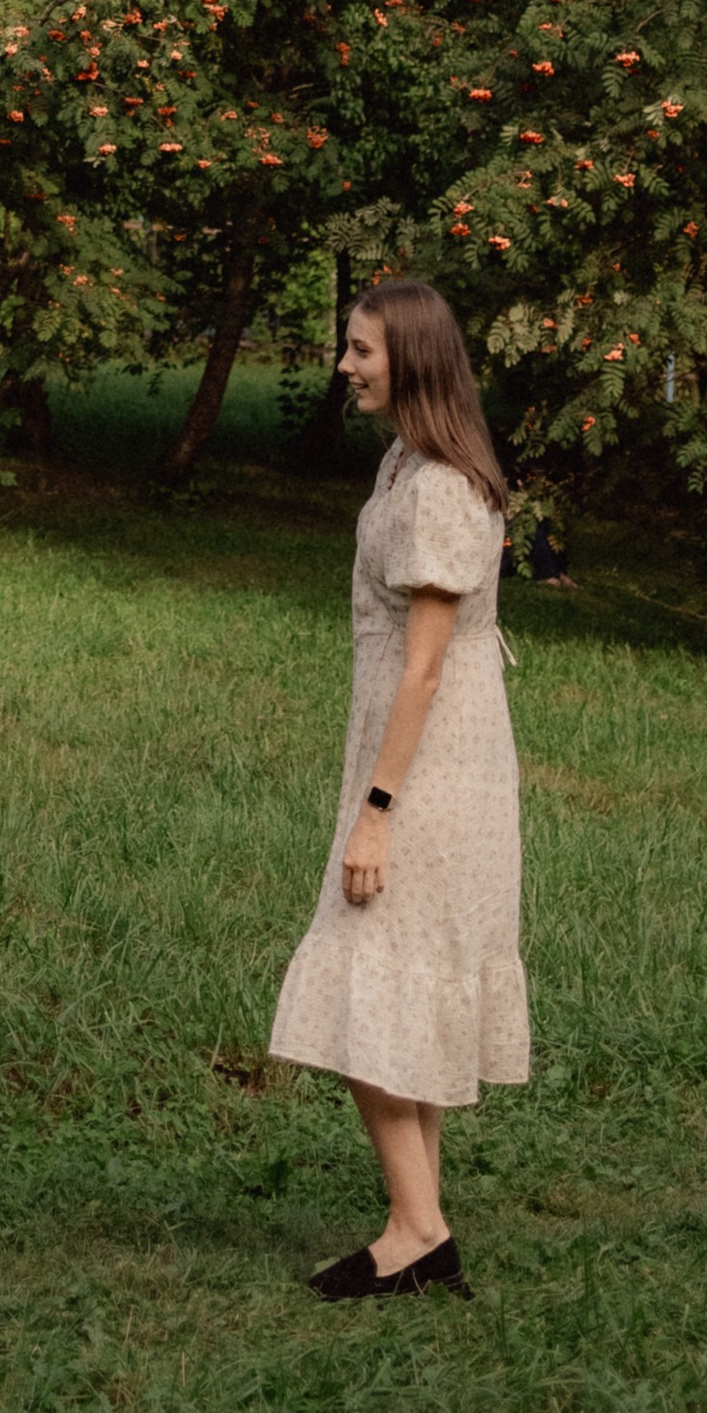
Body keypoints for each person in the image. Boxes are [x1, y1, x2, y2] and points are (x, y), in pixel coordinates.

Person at [267, 276, 528, 1300]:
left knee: (364, 983)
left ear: (410, 359)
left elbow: (423, 667)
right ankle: (415, 1224)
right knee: (393, 987)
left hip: (426, 780)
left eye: (362, 350)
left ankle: (417, 1233)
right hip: (415, 761)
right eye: (346, 346)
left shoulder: (434, 490)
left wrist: (376, 814)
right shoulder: (408, 464)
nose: (345, 363)